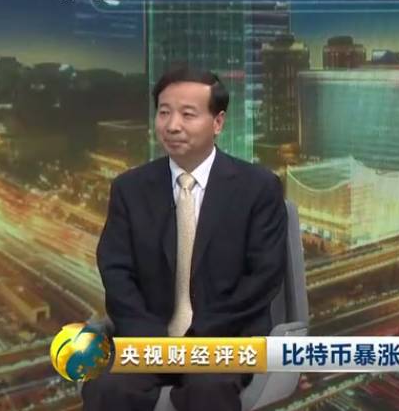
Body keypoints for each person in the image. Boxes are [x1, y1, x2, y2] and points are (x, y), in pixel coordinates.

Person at [82, 67, 288, 411]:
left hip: (224, 339)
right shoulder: (129, 188)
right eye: (164, 112)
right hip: (147, 339)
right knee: (108, 388)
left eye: (187, 114)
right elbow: (116, 271)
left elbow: (263, 277)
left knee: (208, 391)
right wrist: (151, 338)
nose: (172, 125)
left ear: (218, 122)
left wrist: (198, 339)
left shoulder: (258, 187)